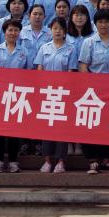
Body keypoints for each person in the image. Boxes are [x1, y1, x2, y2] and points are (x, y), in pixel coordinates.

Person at [78, 10, 109, 174]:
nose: (103, 25)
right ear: (95, 24)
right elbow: (83, 66)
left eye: (106, 22)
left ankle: (106, 159)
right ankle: (92, 160)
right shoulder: (89, 42)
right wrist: (90, 87)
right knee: (91, 125)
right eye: (100, 22)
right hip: (94, 92)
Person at [0, 19, 32, 172]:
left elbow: (29, 74)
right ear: (4, 32)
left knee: (14, 130)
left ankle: (13, 161)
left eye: (16, 30)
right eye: (10, 30)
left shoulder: (24, 52)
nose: (13, 33)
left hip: (17, 96)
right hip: (0, 94)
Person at [33, 18, 79, 173]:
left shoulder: (71, 49)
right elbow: (39, 70)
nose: (57, 31)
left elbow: (71, 72)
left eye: (60, 28)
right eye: (54, 28)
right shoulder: (44, 48)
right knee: (46, 128)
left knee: (62, 129)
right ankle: (47, 161)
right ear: (50, 30)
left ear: (65, 31)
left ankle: (60, 161)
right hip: (47, 93)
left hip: (63, 94)